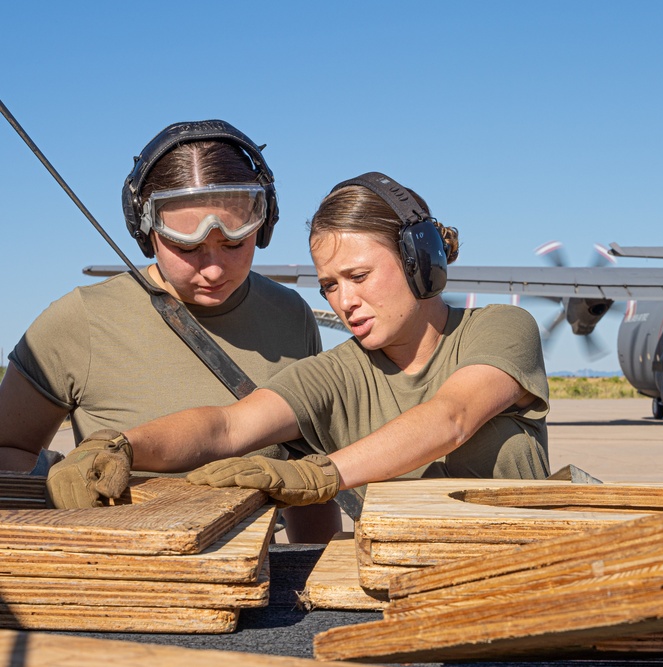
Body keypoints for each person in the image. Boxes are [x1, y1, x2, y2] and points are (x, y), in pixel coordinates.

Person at [46, 171, 551, 510]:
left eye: (359, 275)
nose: (344, 301)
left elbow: (452, 418)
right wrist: (123, 445)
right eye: (330, 285)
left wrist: (321, 473)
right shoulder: (340, 373)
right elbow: (226, 427)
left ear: (421, 263)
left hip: (531, 573)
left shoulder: (498, 330)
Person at [0, 120, 335, 537]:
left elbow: (306, 474)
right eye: (186, 248)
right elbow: (8, 449)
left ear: (263, 227)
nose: (213, 269)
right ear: (146, 232)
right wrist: (54, 482)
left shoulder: (291, 315)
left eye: (235, 244)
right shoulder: (79, 321)